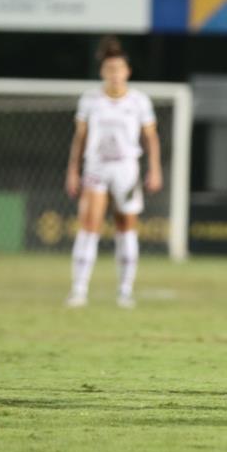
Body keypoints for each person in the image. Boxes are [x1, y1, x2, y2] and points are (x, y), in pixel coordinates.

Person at [64, 36, 163, 309]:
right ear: (102, 72)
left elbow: (151, 138)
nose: (114, 75)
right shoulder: (90, 100)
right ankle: (79, 290)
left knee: (125, 228)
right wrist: (72, 170)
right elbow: (80, 137)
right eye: (109, 70)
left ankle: (124, 291)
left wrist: (154, 169)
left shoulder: (139, 101)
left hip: (127, 170)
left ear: (127, 72)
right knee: (89, 226)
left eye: (119, 69)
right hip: (96, 167)